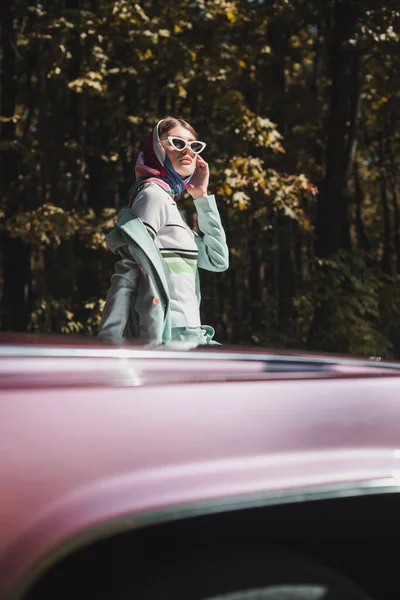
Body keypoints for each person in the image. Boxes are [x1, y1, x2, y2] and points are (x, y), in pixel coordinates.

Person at [99, 116, 229, 346]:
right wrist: (108, 343)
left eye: (194, 145)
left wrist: (201, 197)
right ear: (158, 148)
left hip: (192, 334)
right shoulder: (152, 196)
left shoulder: (170, 205)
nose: (188, 150)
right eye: (178, 142)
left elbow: (217, 259)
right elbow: (128, 270)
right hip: (170, 336)